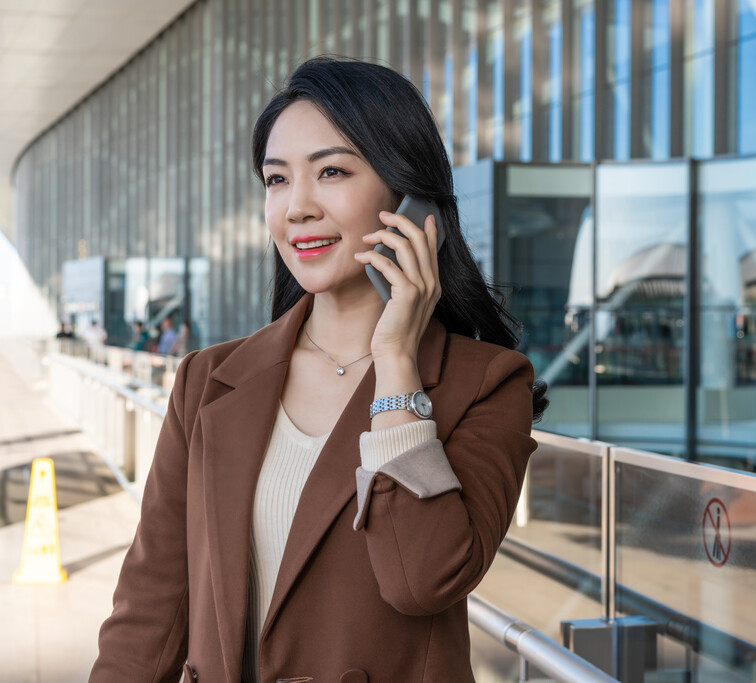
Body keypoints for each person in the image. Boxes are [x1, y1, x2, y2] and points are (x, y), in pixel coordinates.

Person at [91, 57, 546, 683]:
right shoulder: (207, 381)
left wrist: (396, 369)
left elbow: (423, 579)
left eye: (331, 171)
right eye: (277, 180)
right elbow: (149, 612)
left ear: (409, 198)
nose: (297, 207)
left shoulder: (487, 384)